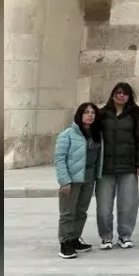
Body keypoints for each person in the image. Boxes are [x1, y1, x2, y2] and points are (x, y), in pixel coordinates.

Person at [96, 82, 139, 249]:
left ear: (129, 96)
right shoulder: (102, 114)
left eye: (125, 93)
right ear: (113, 94)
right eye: (118, 92)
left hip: (128, 165)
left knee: (128, 204)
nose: (121, 96)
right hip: (106, 167)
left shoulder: (136, 115)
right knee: (104, 206)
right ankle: (106, 237)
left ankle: (125, 236)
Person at [54, 103, 103, 259]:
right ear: (79, 115)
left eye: (93, 112)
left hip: (89, 177)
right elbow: (59, 159)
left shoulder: (97, 134)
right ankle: (65, 242)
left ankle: (75, 238)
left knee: (81, 211)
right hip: (72, 178)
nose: (90, 115)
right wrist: (64, 181)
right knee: (68, 212)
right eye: (86, 112)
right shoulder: (67, 134)